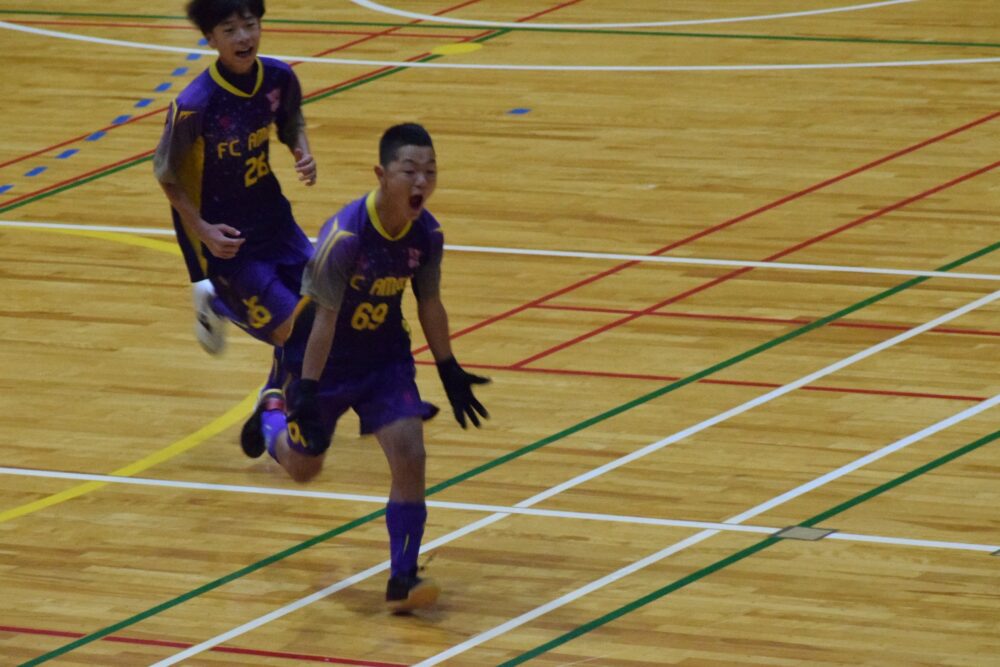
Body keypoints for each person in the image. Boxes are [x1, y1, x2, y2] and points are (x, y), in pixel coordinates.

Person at [249, 123, 489, 613]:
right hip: (325, 359)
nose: (421, 181)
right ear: (381, 174)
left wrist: (448, 367)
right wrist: (306, 389)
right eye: (410, 171)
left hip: (384, 359)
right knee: (304, 468)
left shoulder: (427, 234)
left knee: (410, 452)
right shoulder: (345, 237)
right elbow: (323, 321)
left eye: (430, 172)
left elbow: (429, 302)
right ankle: (272, 411)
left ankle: (403, 578)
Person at [152, 0, 317, 452]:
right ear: (211, 39)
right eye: (230, 29)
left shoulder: (279, 77)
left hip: (278, 225)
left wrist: (302, 150)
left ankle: (272, 394)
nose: (244, 37)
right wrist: (203, 230)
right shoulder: (195, 105)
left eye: (250, 25)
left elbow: (290, 121)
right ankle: (222, 302)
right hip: (232, 245)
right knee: (299, 332)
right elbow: (167, 175)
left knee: (325, 312)